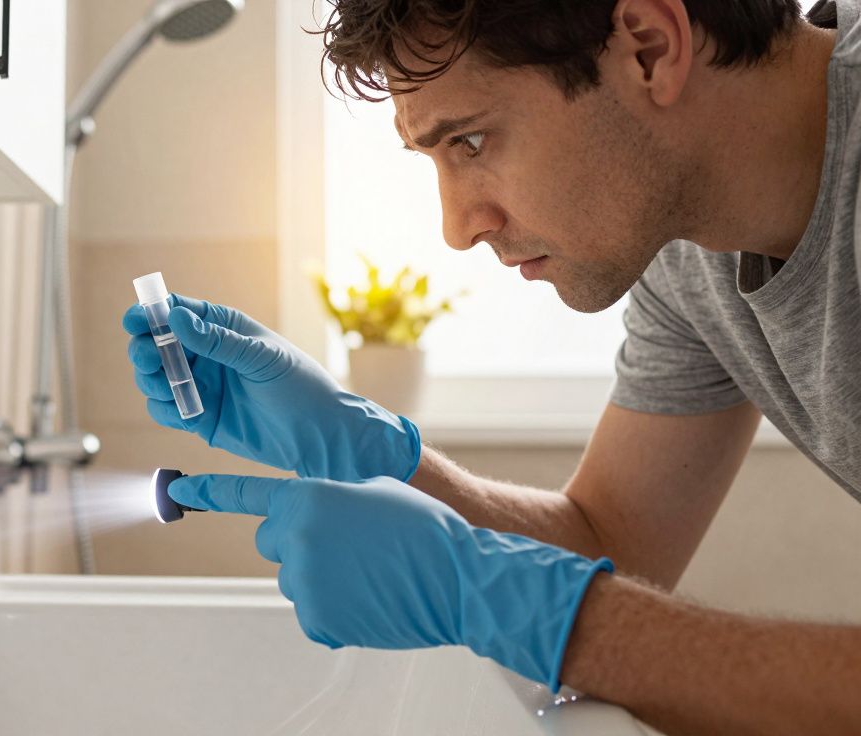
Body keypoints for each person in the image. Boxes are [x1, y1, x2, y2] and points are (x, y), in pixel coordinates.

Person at [123, 0, 861, 733]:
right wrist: (381, 456)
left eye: (471, 142)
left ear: (647, 47)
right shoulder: (687, 255)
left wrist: (499, 602)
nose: (457, 228)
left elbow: (573, 592)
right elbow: (613, 542)